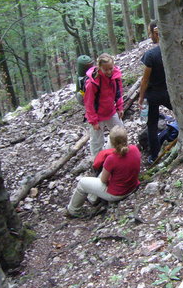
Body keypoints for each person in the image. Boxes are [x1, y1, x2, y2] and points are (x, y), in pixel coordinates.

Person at [66, 126, 141, 218]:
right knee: (106, 173)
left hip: (117, 193)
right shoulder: (135, 149)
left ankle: (73, 210)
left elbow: (103, 180)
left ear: (113, 143)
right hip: (132, 186)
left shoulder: (111, 159)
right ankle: (92, 198)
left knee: (82, 183)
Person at [138, 21, 172, 164]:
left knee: (151, 125)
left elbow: (145, 81)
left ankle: (154, 156)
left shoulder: (150, 55)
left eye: (150, 32)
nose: (149, 35)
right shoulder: (170, 50)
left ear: (156, 33)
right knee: (179, 111)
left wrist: (140, 98)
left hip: (152, 95)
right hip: (167, 91)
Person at [84, 53, 124, 157]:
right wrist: (93, 121)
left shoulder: (115, 76)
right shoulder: (92, 83)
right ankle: (97, 162)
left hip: (111, 111)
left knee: (120, 133)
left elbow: (118, 92)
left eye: (111, 68)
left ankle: (114, 155)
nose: (109, 72)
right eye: (106, 70)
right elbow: (89, 103)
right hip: (97, 115)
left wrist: (120, 107)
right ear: (99, 67)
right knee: (97, 141)